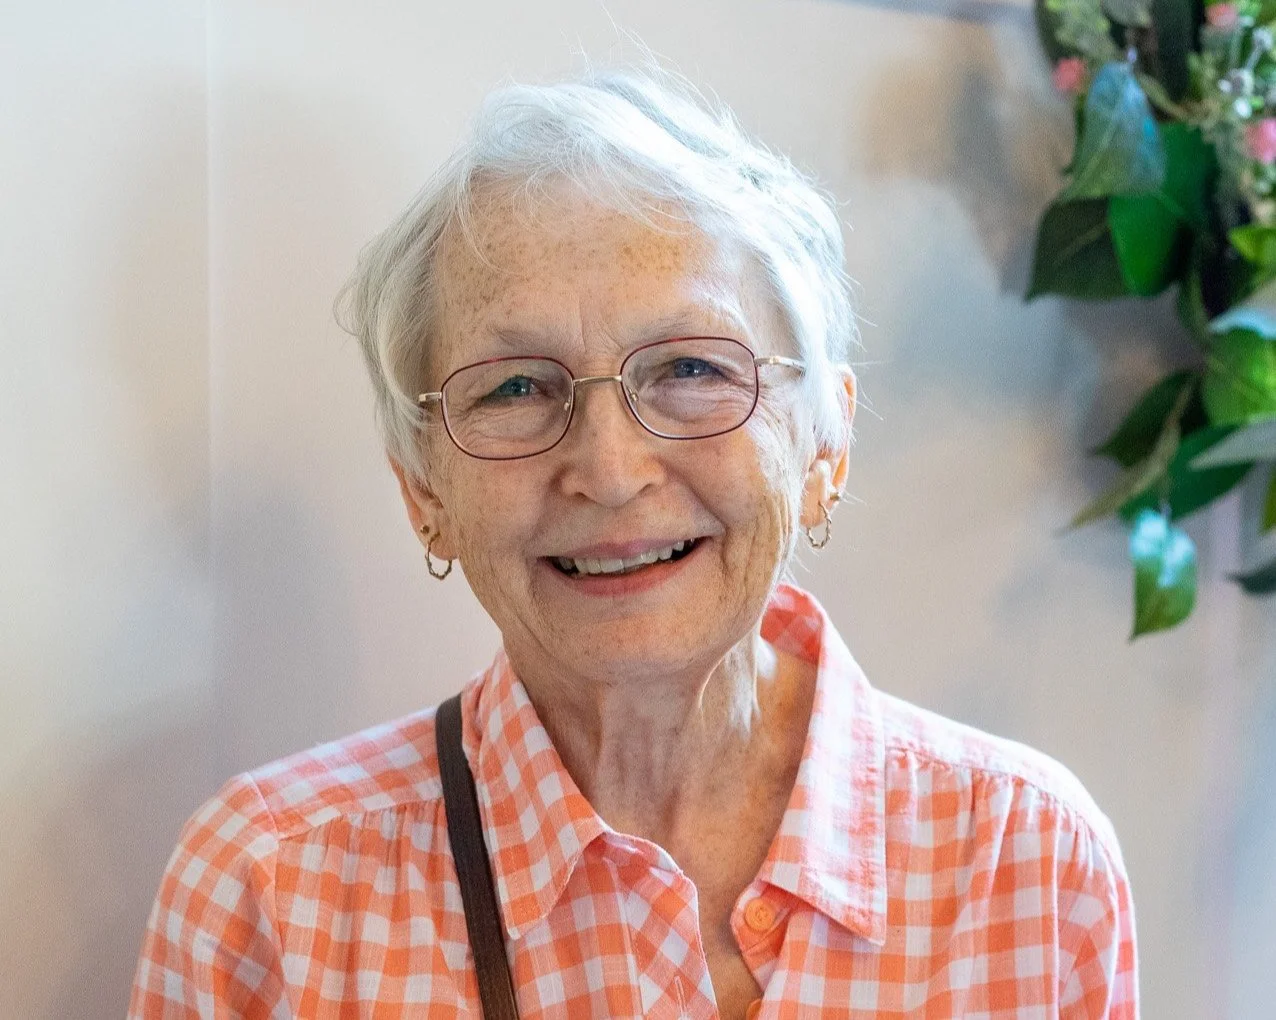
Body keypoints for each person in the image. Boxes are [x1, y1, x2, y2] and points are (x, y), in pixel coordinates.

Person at [129, 68, 1137, 1018]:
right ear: (422, 488)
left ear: (825, 443)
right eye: (516, 387)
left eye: (691, 368)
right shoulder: (271, 888)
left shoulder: (1029, 857)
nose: (609, 471)